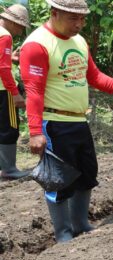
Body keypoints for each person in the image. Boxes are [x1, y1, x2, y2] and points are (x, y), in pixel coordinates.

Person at [20, 0, 113, 243]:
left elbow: (94, 77)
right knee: (58, 179)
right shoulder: (37, 44)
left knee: (87, 173)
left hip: (78, 121)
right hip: (54, 122)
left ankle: (80, 223)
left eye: (82, 19)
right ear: (54, 13)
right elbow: (33, 91)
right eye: (73, 18)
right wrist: (35, 131)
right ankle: (63, 232)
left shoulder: (79, 41)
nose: (79, 24)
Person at [0, 4, 29, 180]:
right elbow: (3, 69)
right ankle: (9, 169)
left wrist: (10, 58)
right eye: (20, 27)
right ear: (12, 22)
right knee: (9, 128)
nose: (19, 31)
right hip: (3, 90)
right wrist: (15, 93)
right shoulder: (5, 36)